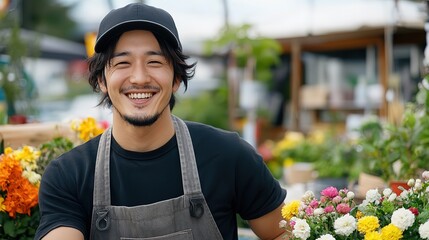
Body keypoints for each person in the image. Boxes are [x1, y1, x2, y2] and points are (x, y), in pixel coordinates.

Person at [35, 2, 287, 240]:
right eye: (122, 63)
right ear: (102, 80)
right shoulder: (69, 175)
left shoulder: (229, 156)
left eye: (154, 62)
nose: (139, 78)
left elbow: (282, 232)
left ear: (176, 78)